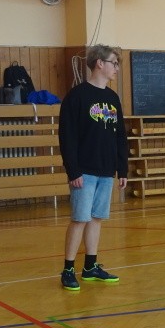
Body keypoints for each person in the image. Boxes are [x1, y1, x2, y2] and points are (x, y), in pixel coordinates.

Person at [58, 44, 130, 291]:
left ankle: (90, 266)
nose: (116, 68)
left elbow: (120, 136)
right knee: (80, 219)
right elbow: (67, 137)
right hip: (84, 171)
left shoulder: (112, 98)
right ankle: (68, 269)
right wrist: (73, 170)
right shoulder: (76, 97)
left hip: (106, 170)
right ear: (100, 63)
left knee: (97, 218)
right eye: (114, 63)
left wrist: (122, 168)